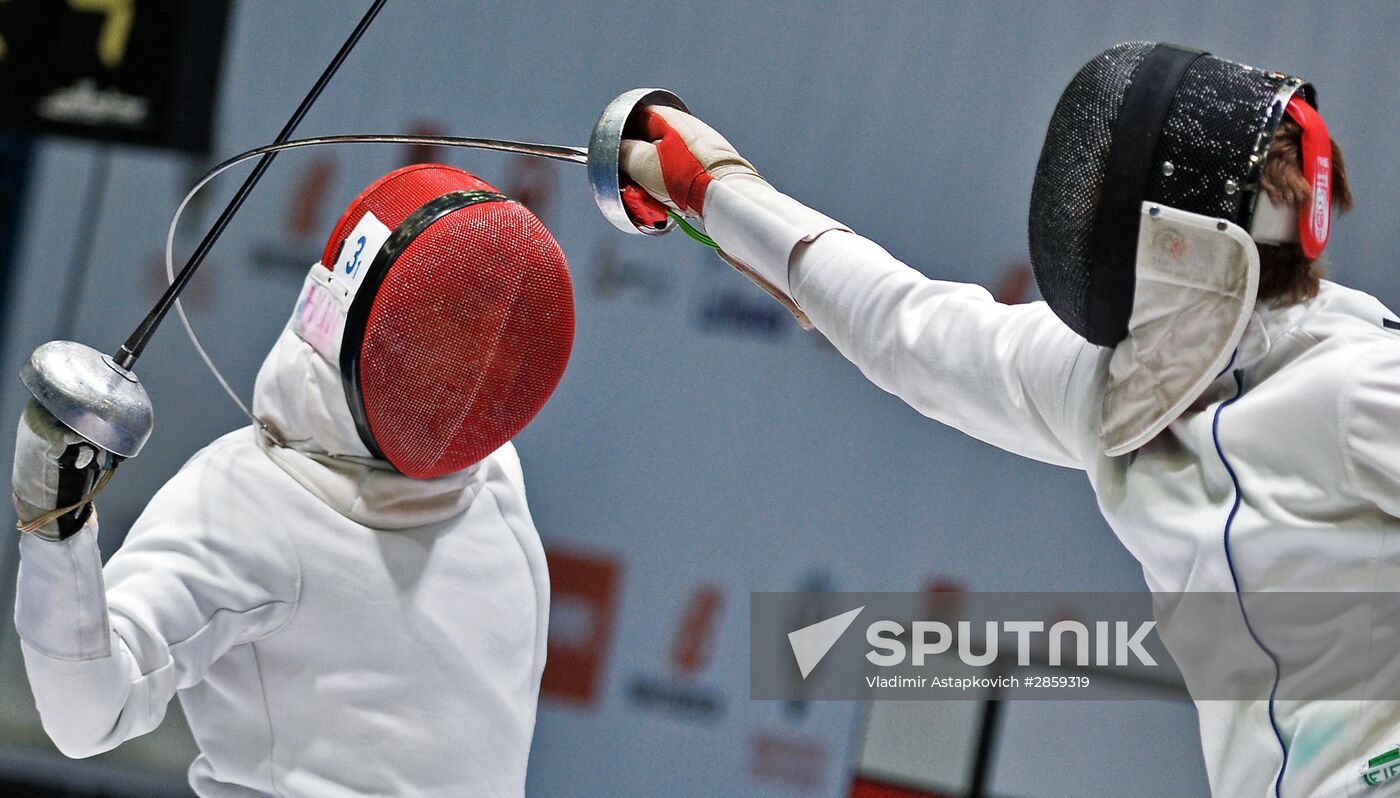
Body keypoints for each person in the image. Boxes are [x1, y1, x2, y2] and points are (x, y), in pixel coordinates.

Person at [619, 42, 1396, 797]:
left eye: (1107, 200)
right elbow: (908, 333)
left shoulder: (1357, 385)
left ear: (1182, 244)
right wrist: (714, 188)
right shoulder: (1124, 384)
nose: (1083, 219)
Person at [10, 164, 574, 796]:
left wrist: (52, 520)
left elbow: (86, 713)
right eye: (443, 332)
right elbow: (86, 714)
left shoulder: (478, 467)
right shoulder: (259, 499)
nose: (465, 364)